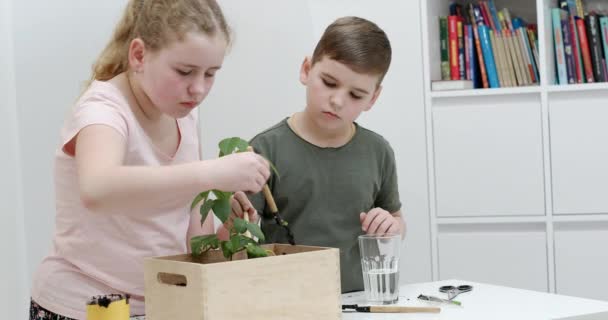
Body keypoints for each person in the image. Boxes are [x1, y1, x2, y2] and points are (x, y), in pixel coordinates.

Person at [30, 0, 269, 319]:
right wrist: (211, 172)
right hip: (85, 307)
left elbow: (192, 231)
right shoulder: (103, 112)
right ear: (139, 55)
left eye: (210, 74)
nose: (198, 89)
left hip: (163, 302)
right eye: (184, 71)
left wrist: (226, 226)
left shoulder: (184, 114)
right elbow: (97, 189)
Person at [230, 16, 406, 293]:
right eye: (329, 82)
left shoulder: (378, 151)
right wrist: (237, 223)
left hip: (357, 300)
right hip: (281, 301)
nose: (337, 101)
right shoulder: (263, 150)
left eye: (356, 95)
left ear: (373, 98)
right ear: (306, 69)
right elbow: (238, 236)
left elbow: (397, 220)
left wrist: (391, 228)